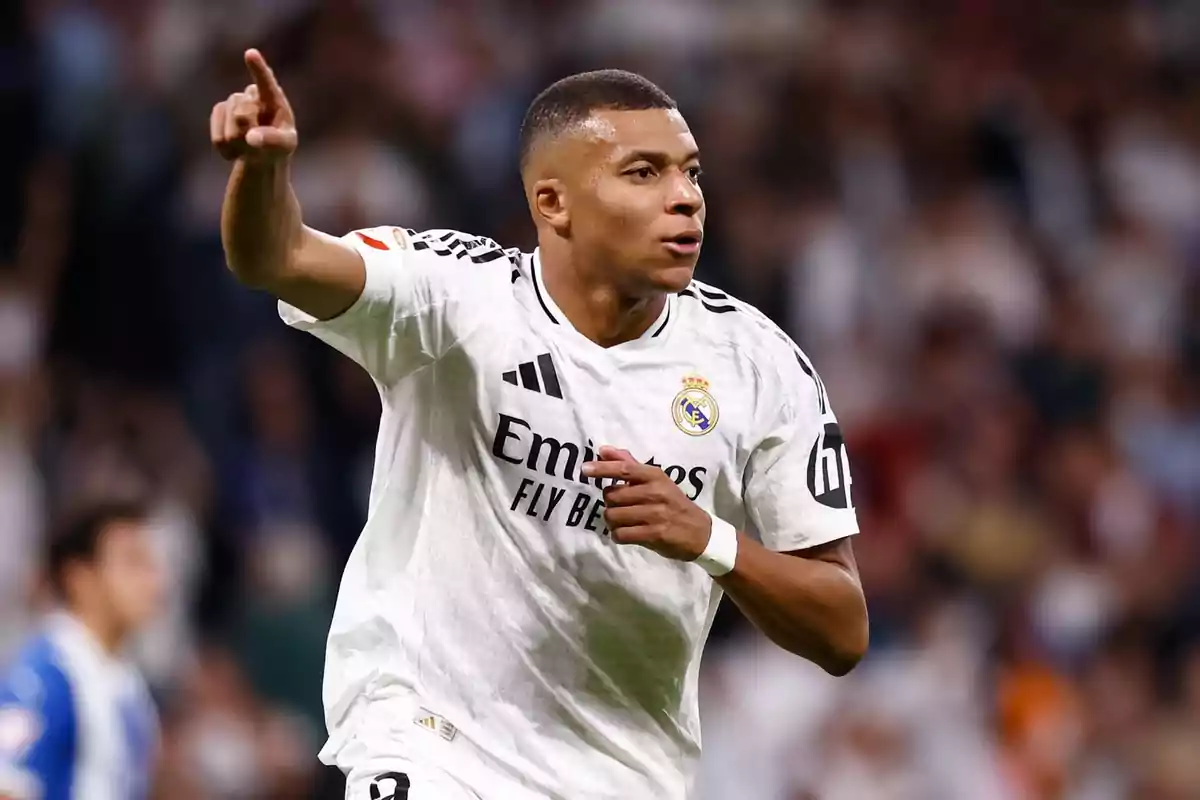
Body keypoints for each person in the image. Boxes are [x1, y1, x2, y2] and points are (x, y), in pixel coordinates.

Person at [211, 49, 869, 800]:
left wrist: (710, 539)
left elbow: (843, 629)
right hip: (431, 743)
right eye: (643, 173)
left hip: (624, 775)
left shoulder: (758, 364)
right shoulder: (456, 299)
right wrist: (261, 173)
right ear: (553, 203)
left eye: (691, 172)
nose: (684, 198)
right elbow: (279, 257)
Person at [0, 500, 163, 800]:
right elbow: (9, 785)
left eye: (152, 565)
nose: (153, 581)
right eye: (133, 563)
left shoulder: (126, 680)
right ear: (80, 577)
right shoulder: (47, 675)